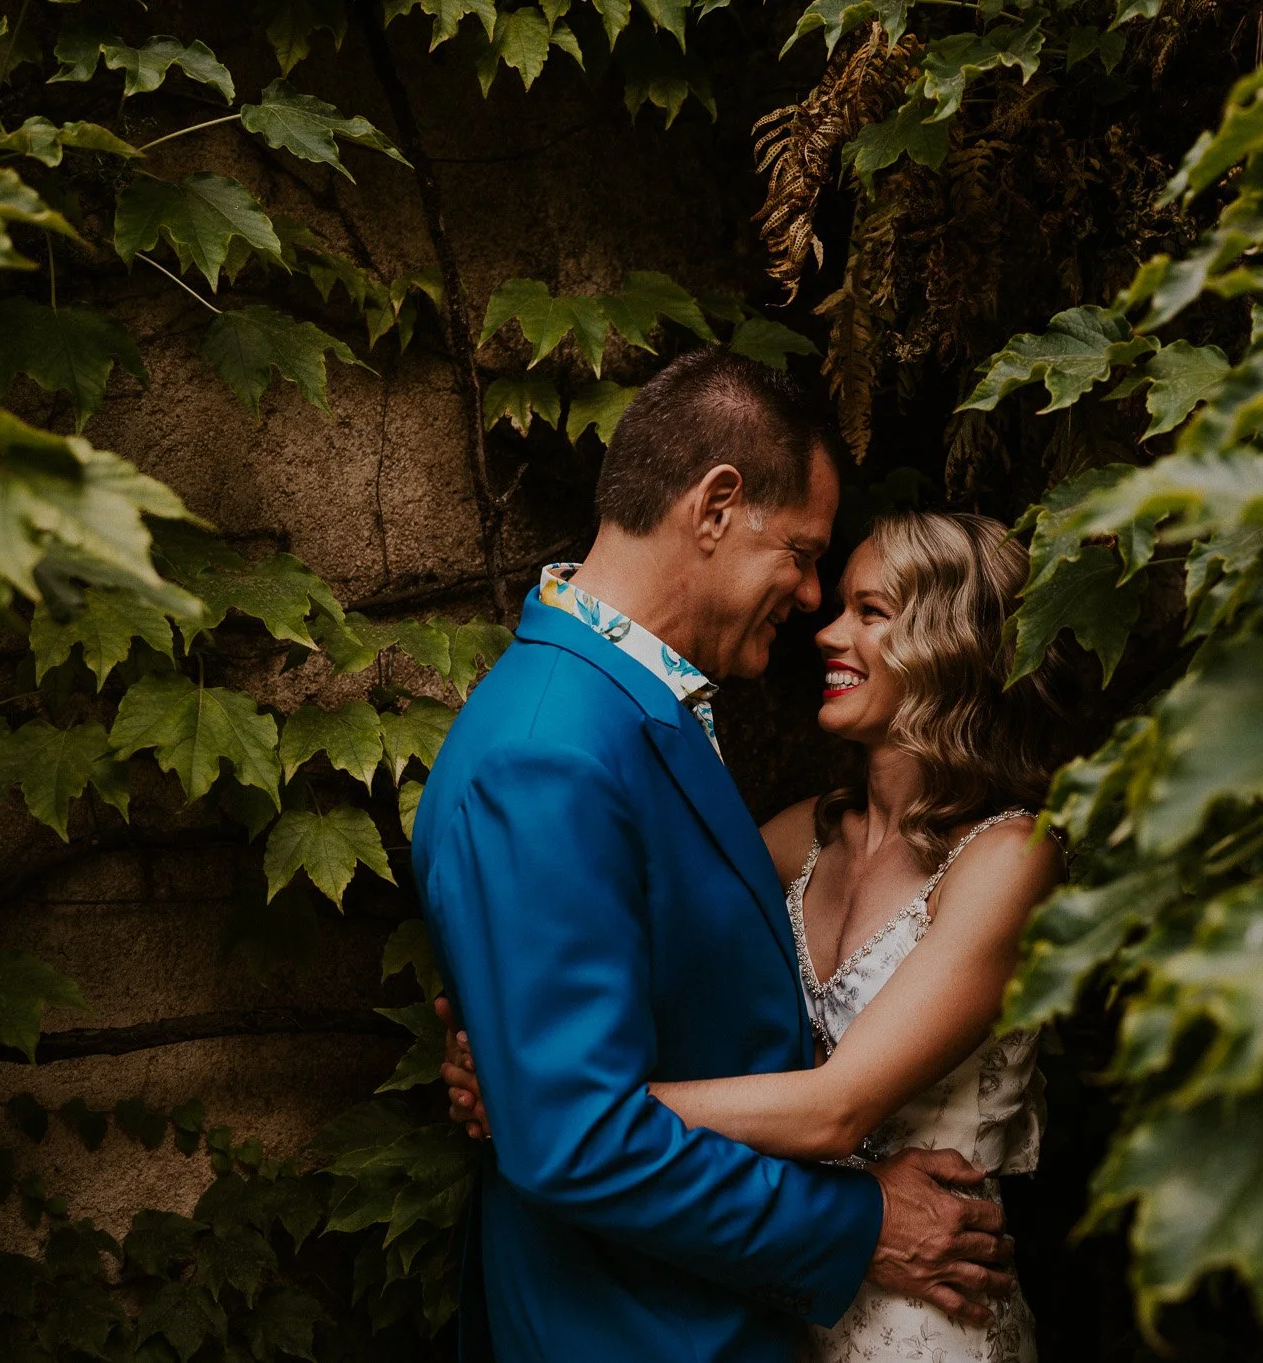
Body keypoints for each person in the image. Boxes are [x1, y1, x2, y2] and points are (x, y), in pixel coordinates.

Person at [410, 348, 1015, 1363]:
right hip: (628, 1331)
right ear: (716, 505)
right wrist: (856, 1223)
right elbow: (578, 1141)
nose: (811, 595)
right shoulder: (547, 751)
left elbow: (606, 1074)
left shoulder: (632, 715)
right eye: (806, 554)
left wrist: (526, 1089)